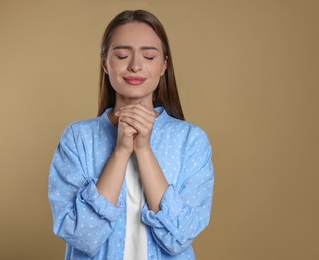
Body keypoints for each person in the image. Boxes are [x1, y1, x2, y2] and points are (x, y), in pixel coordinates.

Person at [48, 9, 214, 260]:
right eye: (123, 55)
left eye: (148, 56)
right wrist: (121, 151)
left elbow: (181, 235)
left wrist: (144, 150)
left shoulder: (191, 141)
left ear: (164, 65)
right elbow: (81, 235)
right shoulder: (77, 138)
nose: (135, 65)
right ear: (105, 63)